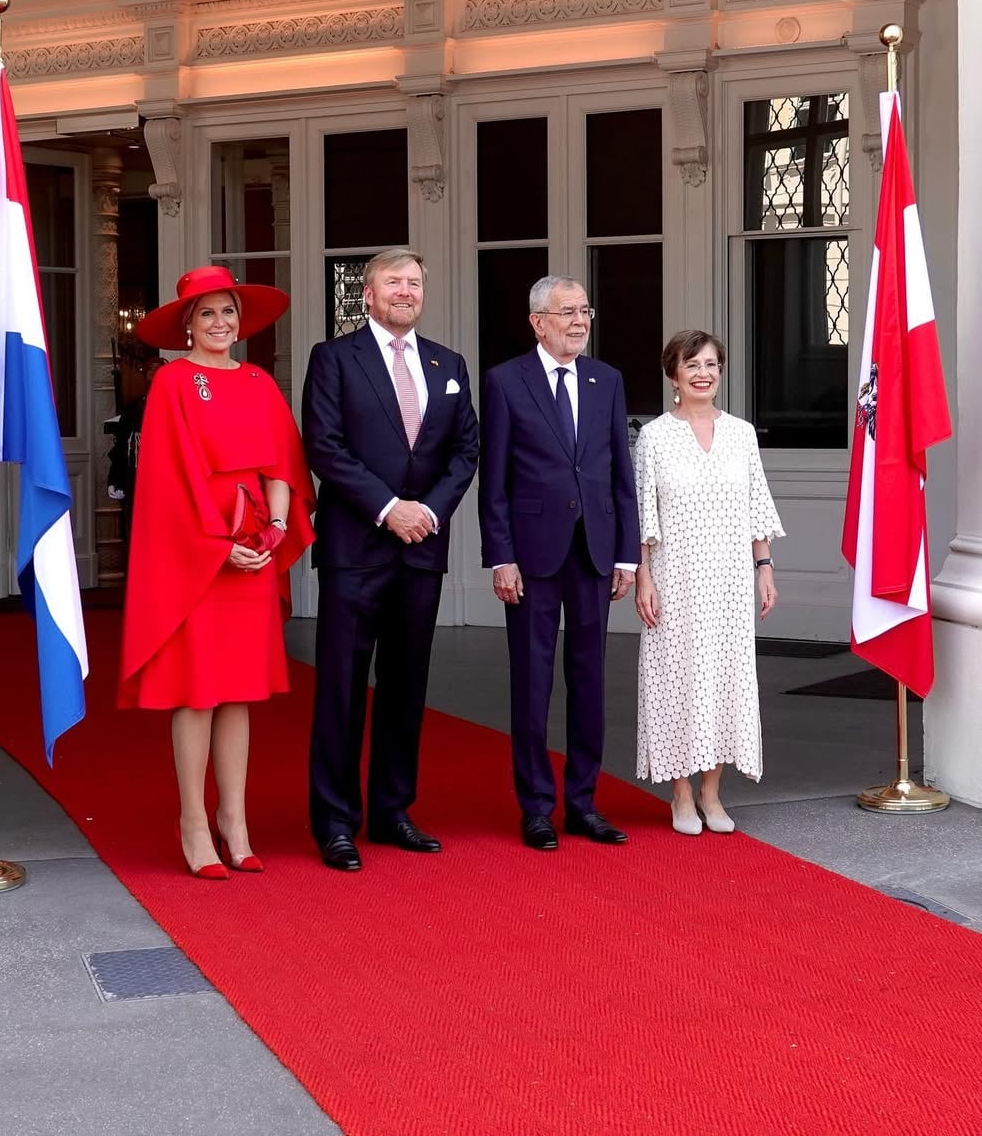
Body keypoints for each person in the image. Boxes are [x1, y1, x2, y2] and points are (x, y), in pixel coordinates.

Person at [118, 267, 315, 879]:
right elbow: (167, 477)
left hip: (255, 541)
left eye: (228, 311)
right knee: (197, 691)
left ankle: (236, 819)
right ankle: (194, 823)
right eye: (207, 314)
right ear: (187, 325)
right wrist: (217, 543)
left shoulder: (258, 380)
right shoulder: (173, 381)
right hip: (198, 549)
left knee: (239, 694)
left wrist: (276, 530)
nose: (221, 323)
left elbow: (282, 464)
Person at [302, 249, 478, 872]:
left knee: (406, 685)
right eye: (393, 283)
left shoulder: (447, 364)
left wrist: (427, 512)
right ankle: (335, 821)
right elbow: (324, 446)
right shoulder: (333, 359)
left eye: (414, 283)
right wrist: (388, 508)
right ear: (368, 295)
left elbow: (466, 450)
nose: (405, 292)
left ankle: (392, 810)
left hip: (421, 548)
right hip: (357, 548)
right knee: (343, 688)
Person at [479, 275, 640, 851]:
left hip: (595, 552)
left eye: (585, 310)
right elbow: (492, 481)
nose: (579, 321)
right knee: (532, 682)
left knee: (590, 681)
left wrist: (627, 554)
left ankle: (583, 804)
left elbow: (621, 472)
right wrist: (500, 557)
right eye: (567, 311)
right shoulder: (504, 381)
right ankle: (537, 809)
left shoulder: (607, 380)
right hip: (531, 555)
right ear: (537, 321)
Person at [633, 330, 783, 836]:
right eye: (691, 364)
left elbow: (756, 508)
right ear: (673, 374)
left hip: (729, 581)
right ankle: (679, 794)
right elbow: (643, 517)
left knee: (725, 679)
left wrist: (764, 568)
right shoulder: (654, 437)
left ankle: (712, 793)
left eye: (711, 364)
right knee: (674, 681)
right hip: (674, 579)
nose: (703, 373)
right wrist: (643, 579)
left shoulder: (741, 434)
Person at [107, 355, 168, 537]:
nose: (154, 372)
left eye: (159, 369)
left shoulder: (178, 405)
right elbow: (121, 446)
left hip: (166, 481)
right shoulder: (134, 407)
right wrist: (115, 480)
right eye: (151, 369)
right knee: (136, 531)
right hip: (136, 479)